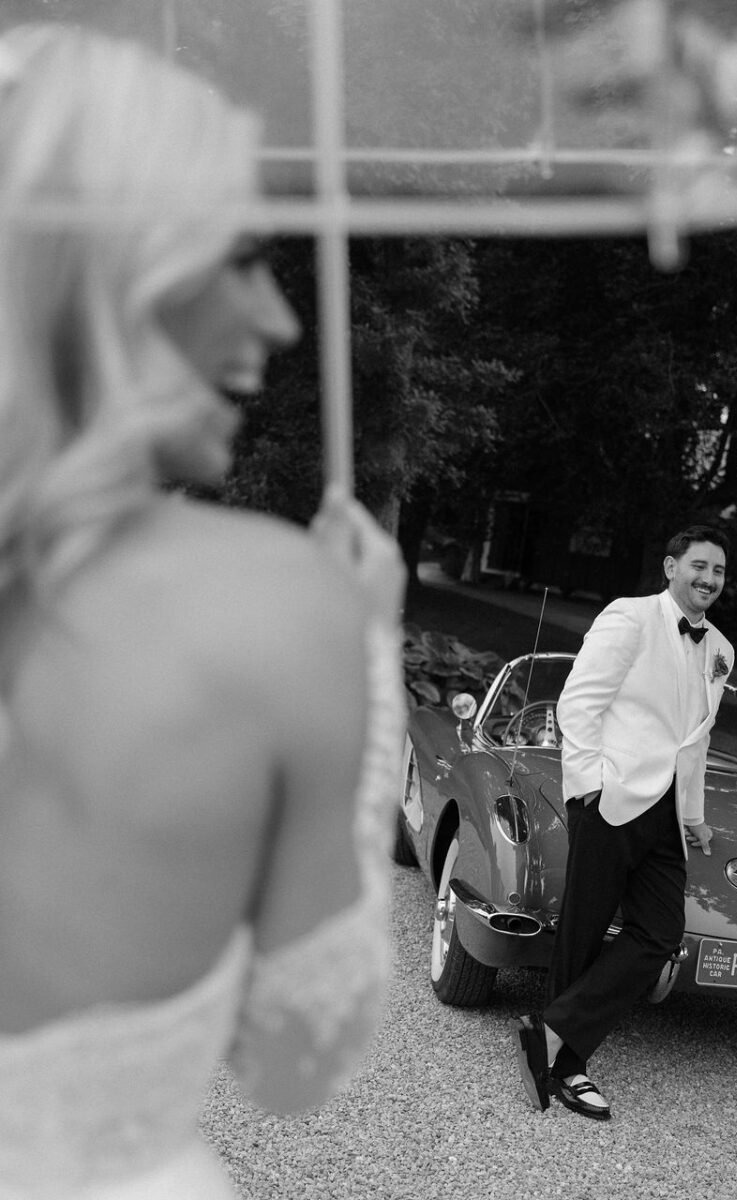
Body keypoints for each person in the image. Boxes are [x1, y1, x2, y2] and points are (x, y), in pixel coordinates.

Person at [0, 23, 405, 1199]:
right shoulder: (274, 612)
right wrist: (367, 666)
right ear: (113, 260)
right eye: (239, 259)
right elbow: (296, 1063)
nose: (278, 320)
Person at [514, 525, 733, 1120]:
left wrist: (694, 815)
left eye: (718, 570)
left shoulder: (721, 649)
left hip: (666, 812)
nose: (709, 579)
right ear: (670, 567)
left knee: (659, 933)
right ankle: (567, 1066)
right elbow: (579, 702)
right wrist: (588, 785)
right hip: (609, 796)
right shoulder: (629, 617)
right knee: (583, 930)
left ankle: (550, 1030)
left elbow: (696, 740)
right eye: (698, 565)